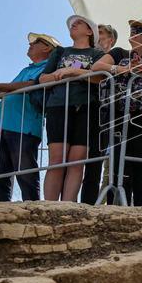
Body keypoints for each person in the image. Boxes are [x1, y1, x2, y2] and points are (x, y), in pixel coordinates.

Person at [92, 18, 142, 206]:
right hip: (118, 113)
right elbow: (97, 66)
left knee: (139, 162)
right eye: (133, 30)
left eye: (138, 31)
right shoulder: (119, 53)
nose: (133, 33)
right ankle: (116, 206)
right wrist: (121, 68)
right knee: (117, 162)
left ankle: (138, 207)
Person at [0, 33, 60, 202]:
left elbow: (31, 85)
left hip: (24, 125)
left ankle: (33, 209)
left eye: (36, 42)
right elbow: (14, 90)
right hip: (4, 123)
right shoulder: (26, 69)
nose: (31, 44)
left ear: (47, 48)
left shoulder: (49, 68)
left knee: (25, 172)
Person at [38, 16, 104, 203]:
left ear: (90, 31)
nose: (73, 25)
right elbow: (43, 79)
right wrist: (77, 74)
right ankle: (49, 205)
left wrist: (71, 71)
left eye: (79, 23)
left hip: (86, 107)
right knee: (57, 159)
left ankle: (68, 205)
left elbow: (101, 76)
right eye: (71, 24)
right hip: (58, 105)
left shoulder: (97, 54)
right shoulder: (60, 52)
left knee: (77, 160)